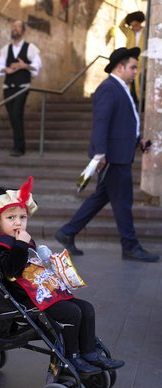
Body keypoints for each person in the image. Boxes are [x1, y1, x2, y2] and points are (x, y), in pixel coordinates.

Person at [0, 177, 124, 375]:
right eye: (11, 218)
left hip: (44, 291)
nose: (18, 223)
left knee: (87, 308)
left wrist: (46, 259)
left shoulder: (22, 239)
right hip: (24, 298)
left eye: (22, 217)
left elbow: (32, 263)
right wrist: (22, 245)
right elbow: (9, 270)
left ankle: (89, 352)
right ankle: (72, 357)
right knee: (71, 313)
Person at [54, 47, 159, 263]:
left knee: (99, 198)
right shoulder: (108, 89)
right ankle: (130, 246)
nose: (136, 71)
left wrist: (138, 140)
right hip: (113, 158)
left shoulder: (120, 88)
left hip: (118, 154)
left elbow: (123, 123)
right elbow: (101, 124)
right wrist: (100, 154)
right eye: (133, 67)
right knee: (123, 202)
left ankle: (67, 232)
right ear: (120, 68)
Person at [0, 19, 42, 157]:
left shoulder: (30, 48)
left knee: (16, 113)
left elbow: (37, 66)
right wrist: (7, 70)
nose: (14, 29)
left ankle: (19, 147)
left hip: (22, 87)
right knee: (13, 116)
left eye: (17, 27)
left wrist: (25, 66)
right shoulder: (5, 49)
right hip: (8, 87)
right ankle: (18, 146)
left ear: (22, 31)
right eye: (13, 27)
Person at [119, 11, 146, 103]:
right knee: (131, 82)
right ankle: (132, 101)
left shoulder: (146, 31)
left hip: (143, 62)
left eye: (136, 25)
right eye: (132, 25)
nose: (134, 27)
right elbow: (121, 26)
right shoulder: (129, 32)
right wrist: (128, 18)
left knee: (140, 83)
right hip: (131, 60)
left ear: (140, 22)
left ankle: (140, 102)